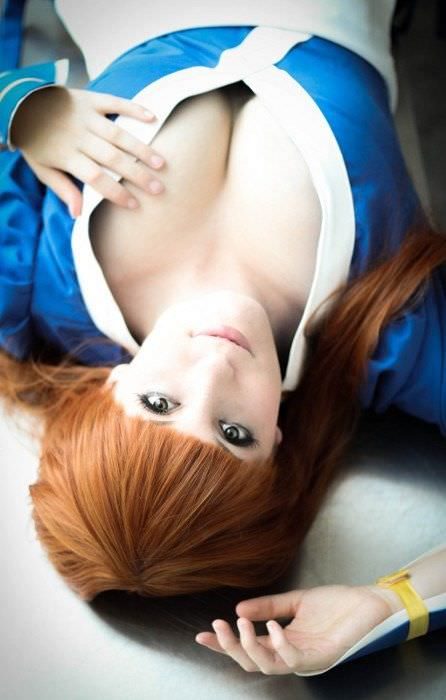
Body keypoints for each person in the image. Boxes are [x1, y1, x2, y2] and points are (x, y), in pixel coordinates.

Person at [0, 0, 445, 676]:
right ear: (277, 445)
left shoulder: (32, 285)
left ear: (112, 389)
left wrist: (19, 109)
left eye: (160, 404)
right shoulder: (386, 334)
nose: (214, 367)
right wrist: (388, 603)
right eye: (234, 432)